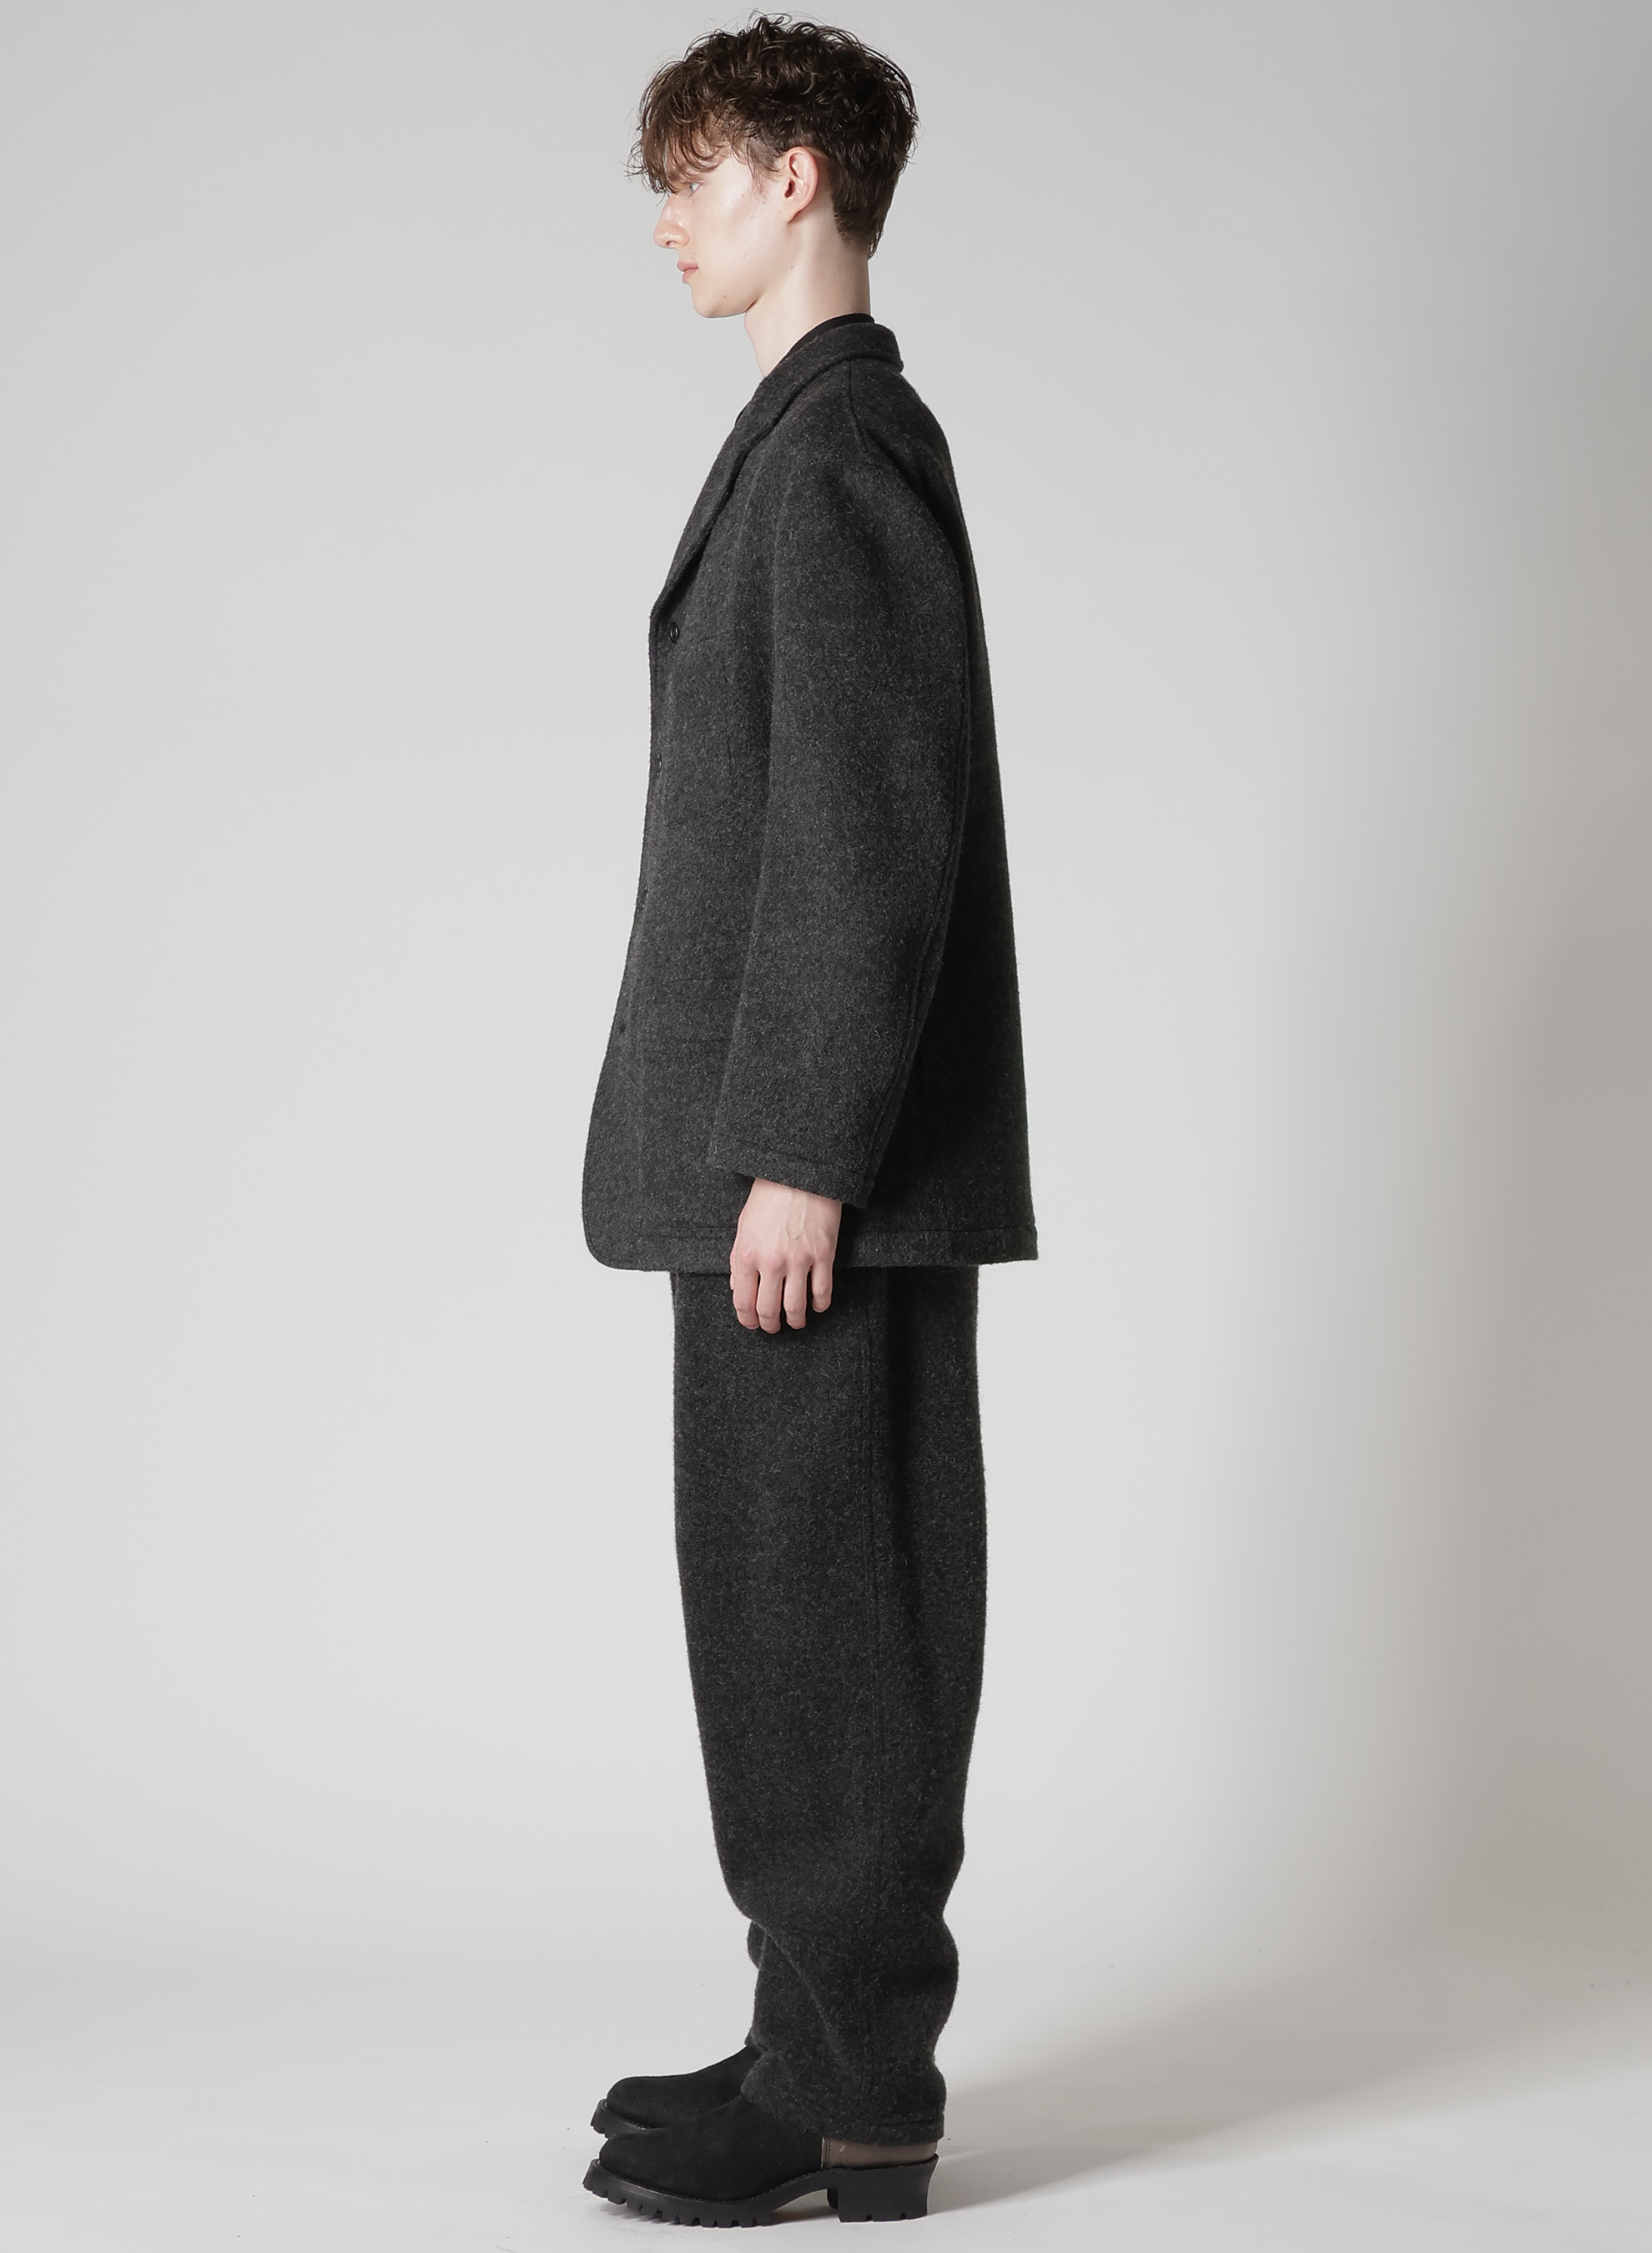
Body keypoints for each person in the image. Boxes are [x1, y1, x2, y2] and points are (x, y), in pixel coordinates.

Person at [580, 15, 1035, 2227]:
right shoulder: (811, 438)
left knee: (835, 1620)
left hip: (807, 1173)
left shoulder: (845, 444)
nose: (665, 223)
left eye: (689, 178)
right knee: (791, 1609)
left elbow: (870, 828)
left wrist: (805, 1147)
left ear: (791, 177)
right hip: (780, 1159)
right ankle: (812, 2037)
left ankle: (856, 2093)